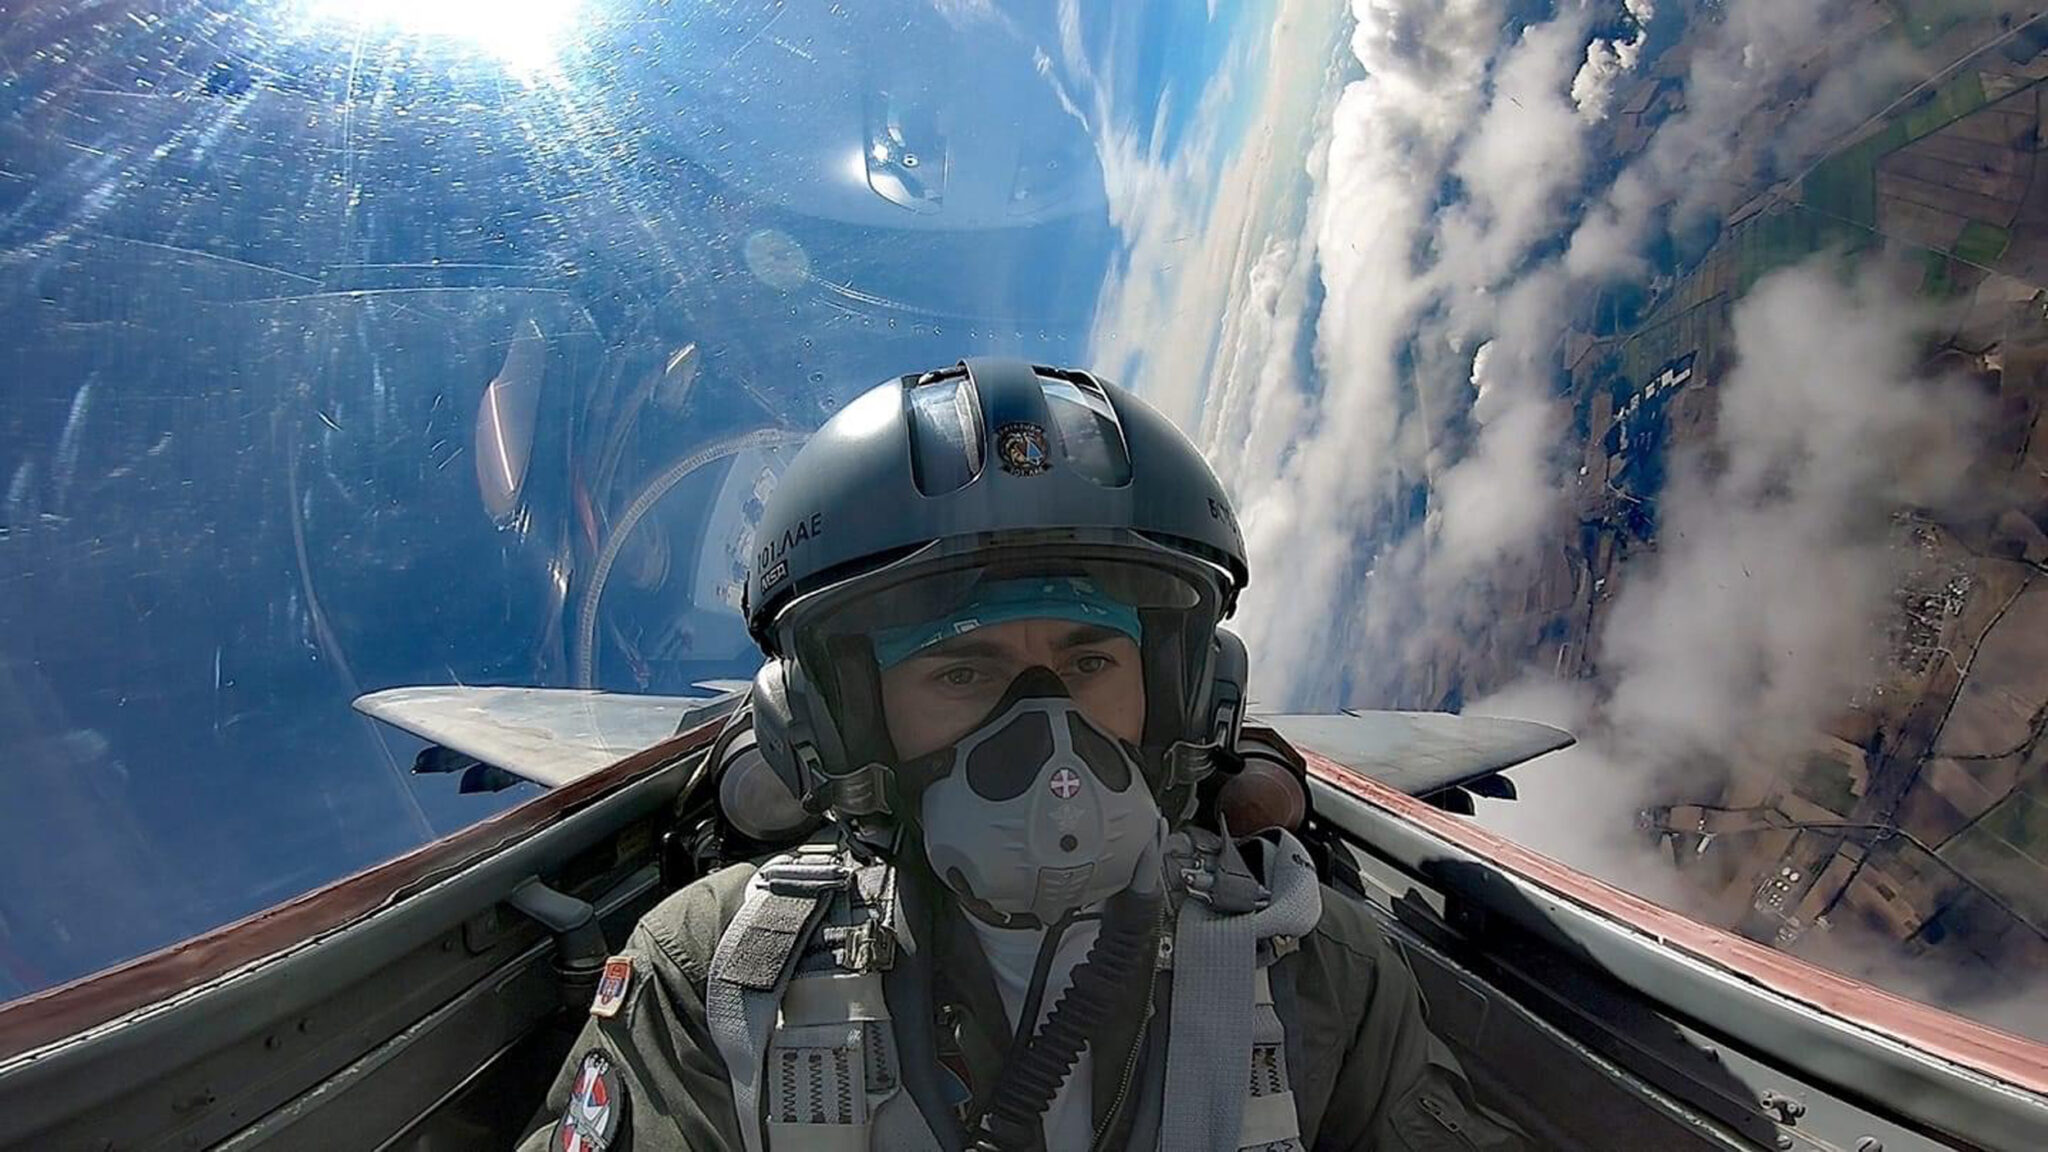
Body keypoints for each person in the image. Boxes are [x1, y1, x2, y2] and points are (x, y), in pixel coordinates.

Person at [520, 359, 1520, 1152]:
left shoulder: (1318, 968)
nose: (1048, 740)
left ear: (1181, 695)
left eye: (1090, 663)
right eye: (963, 672)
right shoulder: (716, 979)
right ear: (839, 725)